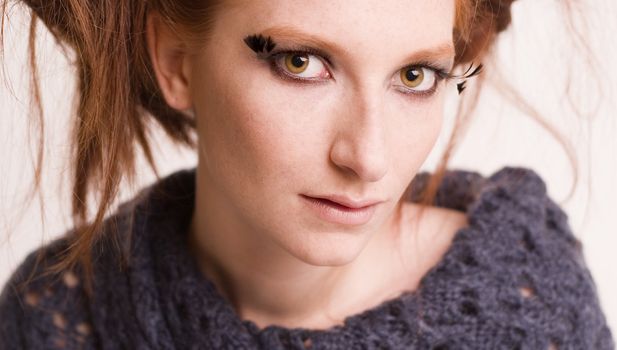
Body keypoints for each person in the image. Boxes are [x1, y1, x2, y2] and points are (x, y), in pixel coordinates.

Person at [0, 0, 614, 348]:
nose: (368, 158)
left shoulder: (530, 313)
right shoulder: (52, 318)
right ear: (176, 61)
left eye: (416, 76)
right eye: (302, 63)